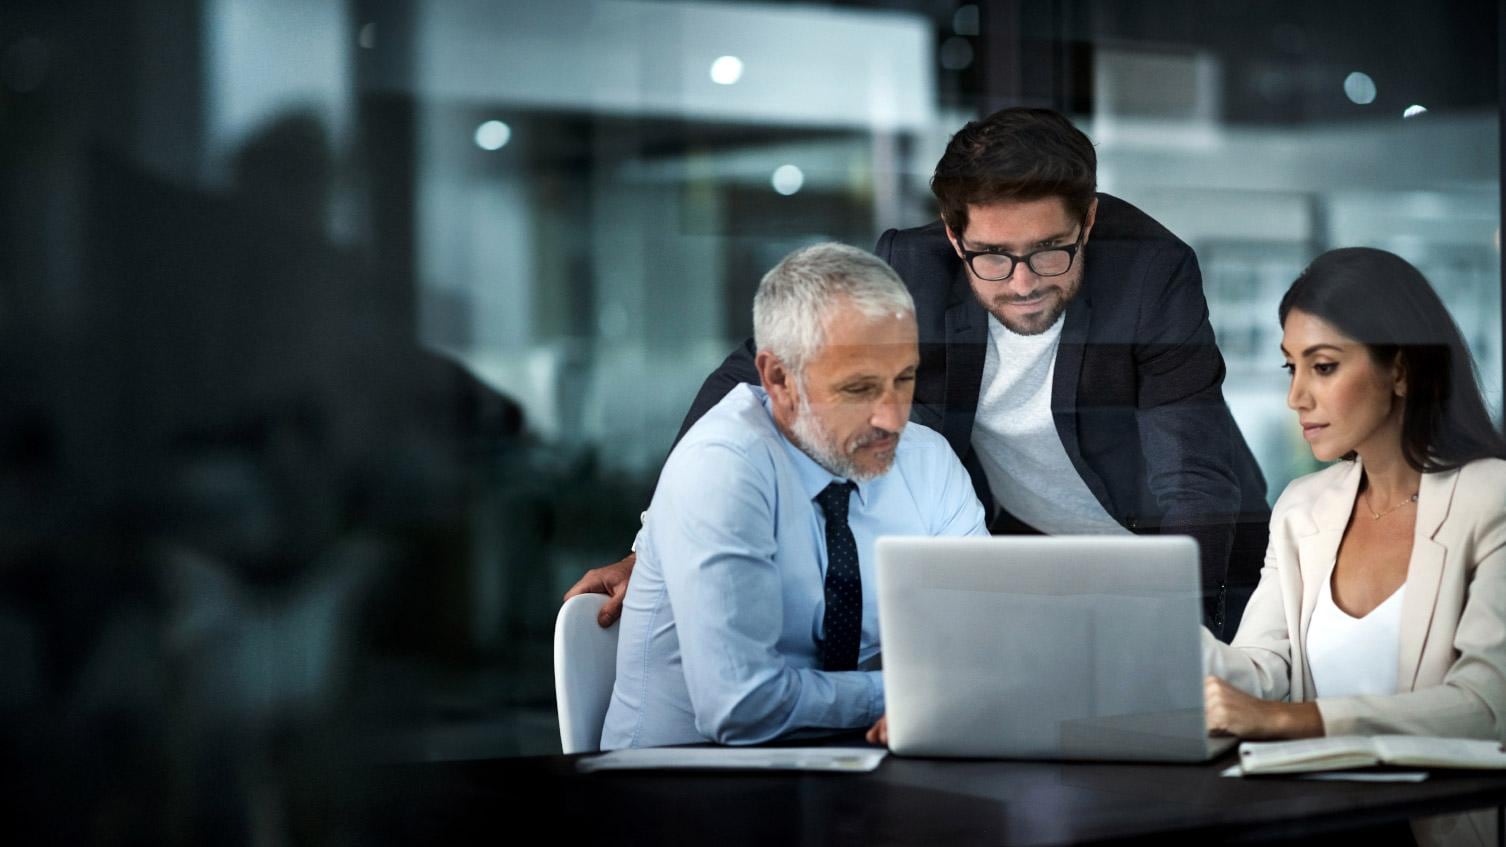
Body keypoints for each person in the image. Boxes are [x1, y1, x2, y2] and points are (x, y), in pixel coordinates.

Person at [569, 108, 1268, 638]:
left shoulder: (1152, 271)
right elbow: (751, 377)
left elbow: (1193, 480)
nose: (1023, 283)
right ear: (953, 232)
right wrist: (650, 547)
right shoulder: (911, 270)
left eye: (1052, 251)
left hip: (1183, 564)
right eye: (992, 255)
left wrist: (1184, 635)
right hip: (1031, 562)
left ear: (1087, 219)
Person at [600, 243, 986, 749]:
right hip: (681, 789)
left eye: (904, 378)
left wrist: (961, 689)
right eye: (858, 389)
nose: (893, 418)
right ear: (778, 378)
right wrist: (908, 694)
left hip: (849, 777)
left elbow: (985, 648)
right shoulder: (722, 466)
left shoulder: (927, 459)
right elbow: (741, 708)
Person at [1198, 248, 1506, 847]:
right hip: (1314, 821)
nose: (1297, 398)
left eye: (1324, 366)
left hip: (1438, 830)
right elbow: (1264, 667)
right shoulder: (1301, 506)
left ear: (1400, 370)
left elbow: (1486, 705)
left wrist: (1293, 721)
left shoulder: (1491, 496)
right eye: (1292, 368)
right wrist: (1161, 642)